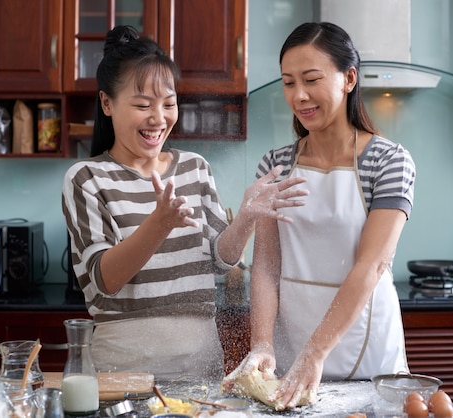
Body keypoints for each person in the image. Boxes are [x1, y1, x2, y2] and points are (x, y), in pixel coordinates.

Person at [61, 25, 308, 381]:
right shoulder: (87, 177)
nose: (158, 118)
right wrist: (158, 224)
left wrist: (246, 219)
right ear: (107, 103)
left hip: (200, 363)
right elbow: (105, 280)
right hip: (123, 368)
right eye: (143, 105)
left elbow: (221, 261)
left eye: (168, 103)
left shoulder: (195, 168)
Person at [223, 22, 416, 409]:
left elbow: (371, 266)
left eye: (311, 79)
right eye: (289, 82)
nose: (300, 95)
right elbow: (265, 267)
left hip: (368, 361)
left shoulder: (388, 161)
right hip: (291, 353)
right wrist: (262, 343)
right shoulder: (275, 165)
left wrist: (316, 352)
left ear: (349, 79)